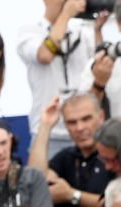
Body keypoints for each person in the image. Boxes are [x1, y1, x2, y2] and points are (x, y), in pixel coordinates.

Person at [19, 0, 106, 159]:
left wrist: (98, 29)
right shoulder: (30, 32)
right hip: (49, 134)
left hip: (85, 131)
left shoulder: (81, 31)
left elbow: (99, 64)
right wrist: (65, 15)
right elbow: (45, 55)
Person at [28, 93, 110, 207]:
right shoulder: (66, 157)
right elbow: (35, 181)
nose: (79, 127)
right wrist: (45, 126)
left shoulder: (114, 155)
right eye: (72, 122)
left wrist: (72, 195)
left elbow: (116, 205)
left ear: (101, 117)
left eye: (86, 119)